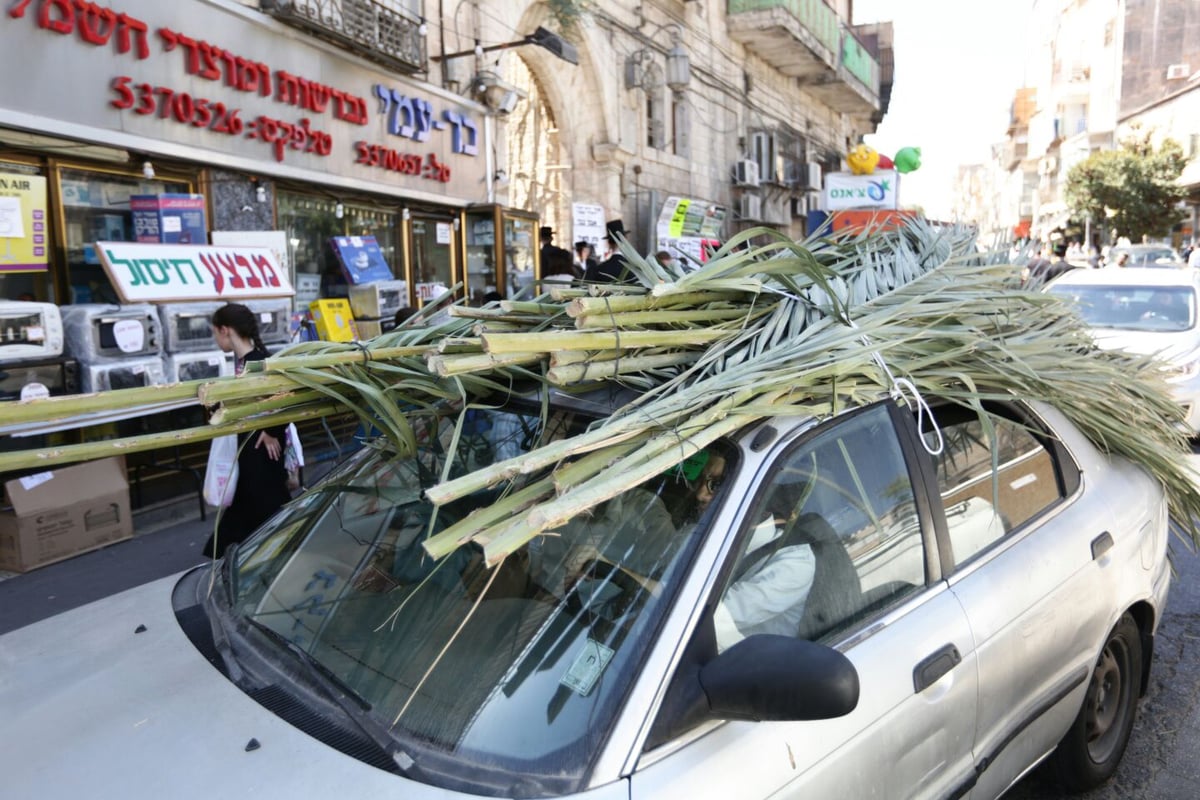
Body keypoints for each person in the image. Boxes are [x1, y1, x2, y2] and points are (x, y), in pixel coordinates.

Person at [698, 453, 816, 652]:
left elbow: (708, 617)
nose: (700, 494)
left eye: (716, 485)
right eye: (701, 481)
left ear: (762, 496)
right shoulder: (712, 534)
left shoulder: (796, 562)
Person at [204, 303, 292, 559]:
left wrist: (272, 430)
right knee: (258, 507)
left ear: (225, 330)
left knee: (265, 506)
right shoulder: (249, 362)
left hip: (260, 451)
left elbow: (286, 397)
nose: (215, 338)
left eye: (215, 332)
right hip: (251, 449)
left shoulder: (258, 363)